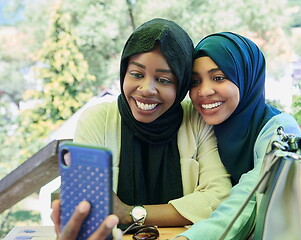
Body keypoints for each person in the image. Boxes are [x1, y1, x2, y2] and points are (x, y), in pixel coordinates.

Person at [51, 18, 231, 237]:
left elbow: (219, 197)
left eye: (163, 80)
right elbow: (89, 205)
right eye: (136, 74)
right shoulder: (97, 120)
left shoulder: (195, 119)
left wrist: (131, 213)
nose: (146, 89)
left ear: (181, 83)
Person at [174, 32, 301, 239]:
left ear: (246, 77)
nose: (204, 91)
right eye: (194, 82)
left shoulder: (279, 130)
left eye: (218, 78)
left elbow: (247, 201)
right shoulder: (205, 126)